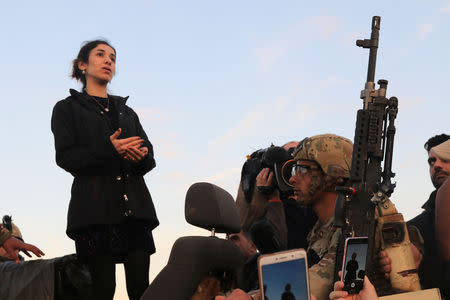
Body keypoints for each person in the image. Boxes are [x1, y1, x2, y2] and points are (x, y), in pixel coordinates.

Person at [51, 39, 159, 300]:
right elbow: (66, 158)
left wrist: (140, 156)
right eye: (100, 55)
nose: (108, 60)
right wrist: (109, 149)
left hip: (135, 210)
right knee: (102, 289)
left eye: (112, 57)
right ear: (82, 65)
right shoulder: (66, 109)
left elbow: (150, 156)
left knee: (141, 290)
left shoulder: (127, 111)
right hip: (94, 213)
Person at [379, 134, 450, 297]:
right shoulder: (413, 227)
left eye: (445, 158)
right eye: (432, 161)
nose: (437, 165)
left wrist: (421, 264)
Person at [287, 134, 353, 300]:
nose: (292, 178)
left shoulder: (353, 223)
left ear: (329, 175)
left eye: (302, 170)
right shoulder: (321, 228)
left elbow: (323, 278)